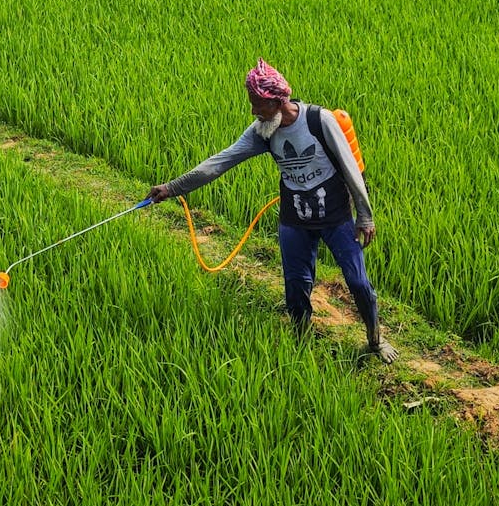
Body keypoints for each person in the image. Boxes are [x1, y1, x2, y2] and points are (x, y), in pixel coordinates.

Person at [146, 59, 399, 364]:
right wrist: (172, 188)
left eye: (258, 105)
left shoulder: (320, 121)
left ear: (278, 101)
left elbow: (350, 169)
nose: (254, 111)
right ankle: (301, 337)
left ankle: (375, 340)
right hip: (295, 218)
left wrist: (365, 215)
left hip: (335, 216)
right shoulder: (263, 131)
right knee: (296, 285)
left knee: (358, 282)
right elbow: (220, 162)